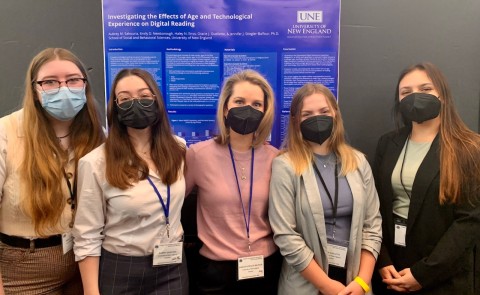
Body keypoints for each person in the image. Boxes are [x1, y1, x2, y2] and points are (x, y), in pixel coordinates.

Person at [72, 68, 188, 295]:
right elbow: (87, 234)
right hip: (122, 268)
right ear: (115, 107)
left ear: (157, 100)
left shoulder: (179, 149)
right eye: (124, 99)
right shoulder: (95, 162)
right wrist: (91, 291)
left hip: (171, 265)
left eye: (144, 96)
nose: (135, 103)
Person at [0, 48, 105, 294]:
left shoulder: (98, 135)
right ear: (35, 90)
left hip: (85, 268)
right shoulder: (5, 133)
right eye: (50, 82)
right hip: (24, 275)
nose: (64, 88)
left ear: (84, 85)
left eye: (72, 80)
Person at [372, 62, 480, 294]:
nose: (415, 97)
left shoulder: (469, 148)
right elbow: (375, 206)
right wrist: (382, 260)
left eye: (425, 89)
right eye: (406, 92)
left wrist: (423, 274)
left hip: (443, 275)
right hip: (392, 271)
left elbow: (469, 221)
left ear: (442, 94)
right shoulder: (387, 144)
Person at [269, 83, 382, 295]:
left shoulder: (358, 162)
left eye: (324, 111)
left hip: (354, 282)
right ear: (295, 121)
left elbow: (372, 226)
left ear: (335, 114)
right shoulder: (285, 165)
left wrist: (362, 282)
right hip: (306, 283)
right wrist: (326, 286)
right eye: (307, 114)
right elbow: (285, 235)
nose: (317, 118)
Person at [184, 69, 282, 294]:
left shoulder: (275, 159)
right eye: (240, 101)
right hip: (215, 272)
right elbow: (172, 202)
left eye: (257, 104)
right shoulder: (198, 155)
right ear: (226, 107)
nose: (248, 109)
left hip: (265, 268)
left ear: (265, 111)